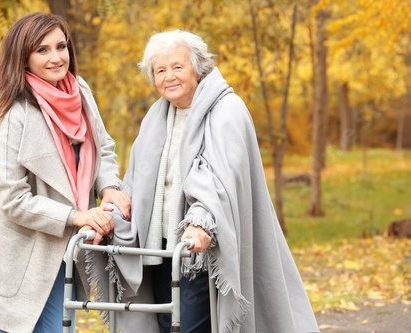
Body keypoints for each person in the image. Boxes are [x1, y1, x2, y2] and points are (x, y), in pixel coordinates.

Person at [96, 29, 320, 332]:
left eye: (177, 67)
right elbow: (136, 182)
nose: (169, 77)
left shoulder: (227, 110)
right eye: (160, 70)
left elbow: (218, 179)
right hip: (158, 249)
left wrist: (200, 223)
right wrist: (110, 216)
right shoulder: (156, 116)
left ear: (197, 67)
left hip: (201, 251)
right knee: (164, 324)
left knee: (187, 327)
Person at [0, 12, 131, 333]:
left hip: (60, 253)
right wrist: (75, 216)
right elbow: (12, 199)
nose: (56, 58)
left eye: (61, 46)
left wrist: (108, 187)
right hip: (15, 255)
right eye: (42, 50)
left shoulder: (80, 91)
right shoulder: (13, 113)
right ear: (23, 58)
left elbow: (103, 147)